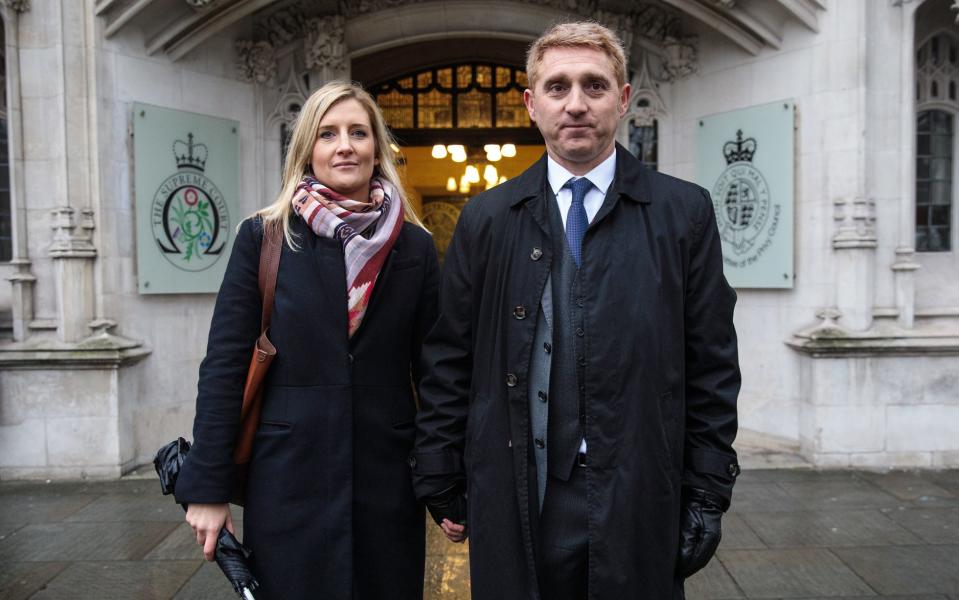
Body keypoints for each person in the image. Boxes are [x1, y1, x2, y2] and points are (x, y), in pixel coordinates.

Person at [411, 22, 740, 599]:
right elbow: (449, 358)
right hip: (520, 492)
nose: (577, 104)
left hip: (639, 491)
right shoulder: (487, 218)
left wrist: (708, 490)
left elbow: (712, 364)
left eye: (594, 85)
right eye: (558, 87)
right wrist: (439, 470)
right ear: (531, 104)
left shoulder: (682, 213)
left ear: (624, 99)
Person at [174, 81, 439, 599]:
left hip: (387, 482)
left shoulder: (414, 245)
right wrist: (207, 488)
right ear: (307, 151)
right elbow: (226, 365)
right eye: (328, 134)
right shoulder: (265, 237)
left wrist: (445, 481)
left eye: (358, 132)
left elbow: (436, 371)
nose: (345, 145)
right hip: (288, 479)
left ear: (377, 148)